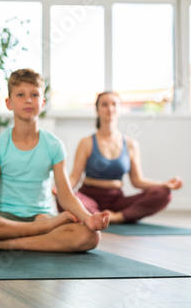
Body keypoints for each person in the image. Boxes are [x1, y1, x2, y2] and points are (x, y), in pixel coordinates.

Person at [0, 68, 109, 252]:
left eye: (34, 95)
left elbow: (65, 195)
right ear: (9, 103)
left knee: (90, 236)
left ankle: (1, 244)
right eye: (21, 95)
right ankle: (39, 232)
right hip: (3, 218)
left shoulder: (54, 145)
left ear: (43, 103)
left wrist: (88, 218)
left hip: (42, 216)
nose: (28, 100)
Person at [55, 91, 183, 223]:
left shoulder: (131, 144)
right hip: (89, 198)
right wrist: (60, 189)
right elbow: (75, 177)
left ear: (120, 109)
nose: (110, 108)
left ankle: (114, 217)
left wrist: (165, 184)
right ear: (97, 110)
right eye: (104, 104)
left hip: (117, 201)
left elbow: (137, 180)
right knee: (62, 198)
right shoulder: (86, 142)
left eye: (114, 104)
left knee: (163, 194)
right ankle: (99, 216)